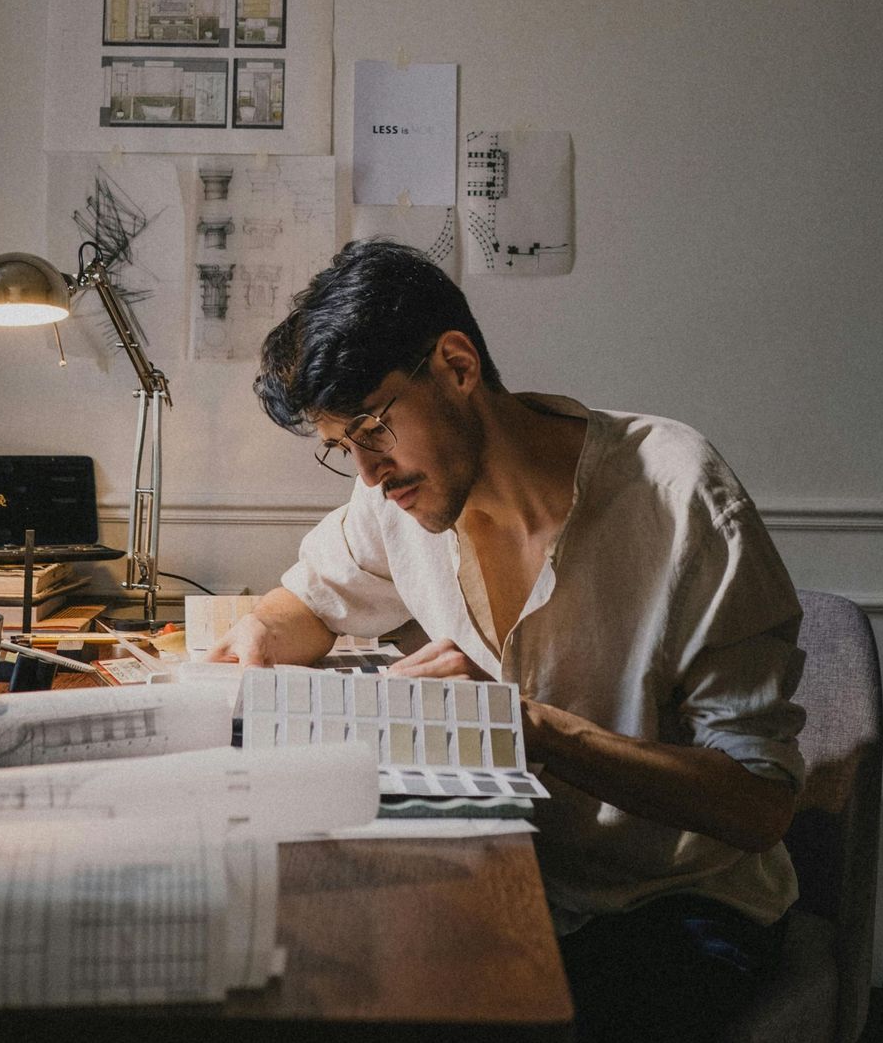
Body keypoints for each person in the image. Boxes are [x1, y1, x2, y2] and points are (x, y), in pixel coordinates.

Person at [207, 239, 806, 1042]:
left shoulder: (678, 494)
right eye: (341, 447)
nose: (370, 473)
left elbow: (759, 802)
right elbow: (308, 600)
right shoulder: (398, 503)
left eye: (375, 428)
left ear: (457, 366)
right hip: (516, 879)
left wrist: (525, 727)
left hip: (681, 906)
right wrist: (255, 637)